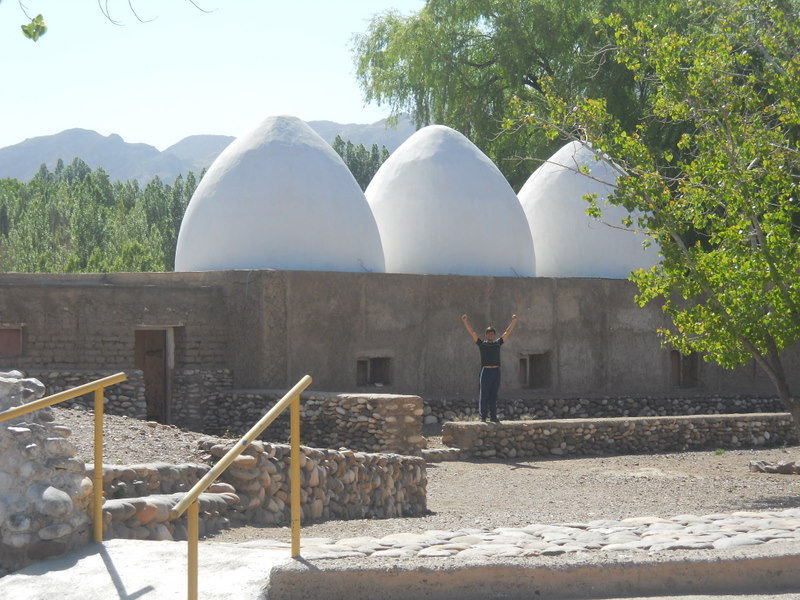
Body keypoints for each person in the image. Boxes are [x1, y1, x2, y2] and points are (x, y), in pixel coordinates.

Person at [461, 313, 518, 423]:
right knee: (484, 395)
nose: (491, 335)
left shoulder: (497, 343)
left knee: (493, 395)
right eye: (489, 334)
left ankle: (493, 416)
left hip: (496, 371)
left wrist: (514, 321)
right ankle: (483, 417)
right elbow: (472, 333)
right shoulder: (482, 344)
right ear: (486, 335)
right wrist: (465, 321)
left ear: (495, 335)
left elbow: (507, 333)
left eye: (493, 334)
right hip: (486, 371)